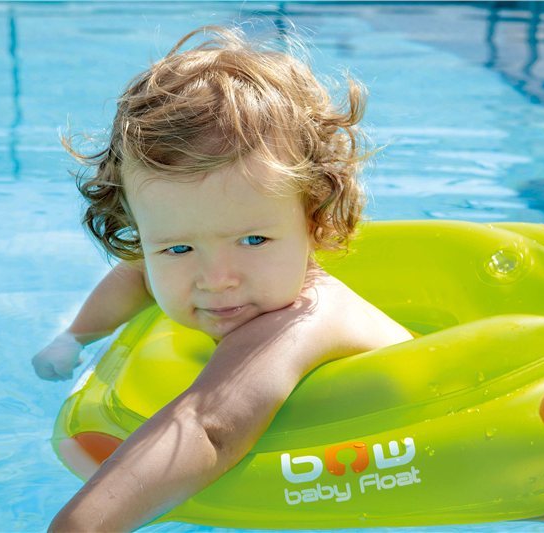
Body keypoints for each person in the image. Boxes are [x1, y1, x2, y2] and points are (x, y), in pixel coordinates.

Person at [33, 23, 413, 532]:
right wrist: (75, 337)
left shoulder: (299, 321)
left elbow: (209, 428)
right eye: (179, 248)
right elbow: (138, 276)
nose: (215, 279)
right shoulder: (208, 271)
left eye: (253, 240)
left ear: (314, 219)